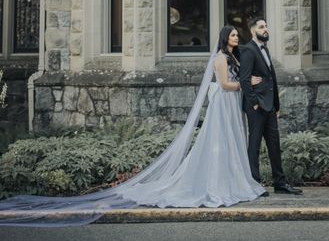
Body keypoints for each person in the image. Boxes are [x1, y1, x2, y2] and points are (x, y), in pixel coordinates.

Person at [0, 26, 267, 226]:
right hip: (224, 104)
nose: (236, 38)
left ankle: (234, 179)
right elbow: (223, 85)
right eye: (232, 35)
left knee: (232, 143)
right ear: (224, 38)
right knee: (218, 143)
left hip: (233, 105)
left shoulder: (234, 57)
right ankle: (218, 183)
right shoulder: (220, 59)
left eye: (236, 35)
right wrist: (248, 84)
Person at [240, 17, 302, 195]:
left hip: (270, 108)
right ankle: (254, 185)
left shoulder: (264, 49)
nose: (266, 29)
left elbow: (271, 80)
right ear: (253, 31)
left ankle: (280, 184)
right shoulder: (248, 50)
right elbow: (245, 80)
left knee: (274, 145)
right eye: (261, 27)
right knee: (255, 145)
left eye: (266, 26)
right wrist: (254, 103)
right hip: (257, 107)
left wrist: (276, 105)